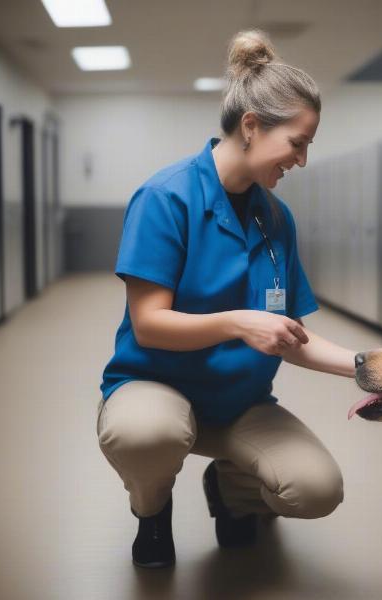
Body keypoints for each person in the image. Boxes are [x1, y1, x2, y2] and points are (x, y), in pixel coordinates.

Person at [97, 29, 357, 569]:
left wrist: (374, 369)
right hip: (156, 386)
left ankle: (232, 492)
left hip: (240, 403)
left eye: (309, 145)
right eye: (297, 142)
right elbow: (149, 325)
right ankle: (152, 510)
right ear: (252, 126)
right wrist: (239, 323)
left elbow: (292, 338)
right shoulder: (165, 198)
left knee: (317, 489)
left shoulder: (276, 217)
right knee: (146, 434)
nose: (302, 160)